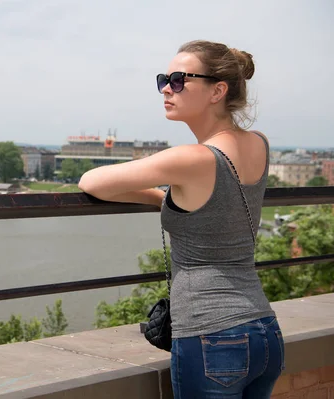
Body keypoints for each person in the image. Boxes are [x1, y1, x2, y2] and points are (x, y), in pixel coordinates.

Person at [78, 40, 285, 398]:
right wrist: (166, 198)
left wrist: (159, 195)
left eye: (178, 80)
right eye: (163, 79)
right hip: (264, 330)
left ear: (217, 90)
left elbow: (92, 182)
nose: (165, 89)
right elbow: (217, 203)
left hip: (211, 336)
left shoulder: (191, 159)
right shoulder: (259, 144)